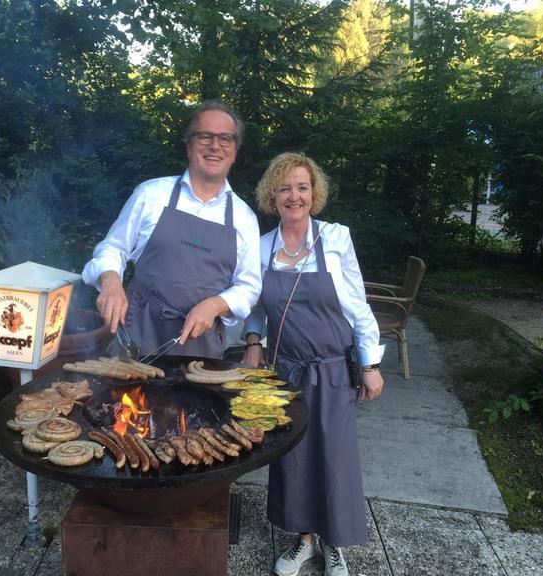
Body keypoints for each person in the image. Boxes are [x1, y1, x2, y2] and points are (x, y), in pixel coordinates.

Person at [242, 152, 384, 576]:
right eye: (285, 187)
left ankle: (334, 543)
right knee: (293, 457)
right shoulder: (260, 247)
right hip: (284, 372)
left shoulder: (336, 238)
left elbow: (357, 305)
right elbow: (253, 306)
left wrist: (371, 362)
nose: (294, 195)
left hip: (333, 370)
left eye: (302, 187)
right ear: (272, 195)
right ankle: (303, 540)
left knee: (335, 457)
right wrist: (252, 340)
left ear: (314, 193)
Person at [83, 100, 261, 359]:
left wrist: (215, 305)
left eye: (225, 138)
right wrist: (111, 283)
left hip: (201, 347)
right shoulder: (151, 194)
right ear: (189, 145)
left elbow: (249, 287)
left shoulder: (244, 219)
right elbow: (112, 248)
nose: (215, 145)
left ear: (234, 151)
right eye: (205, 136)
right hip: (135, 337)